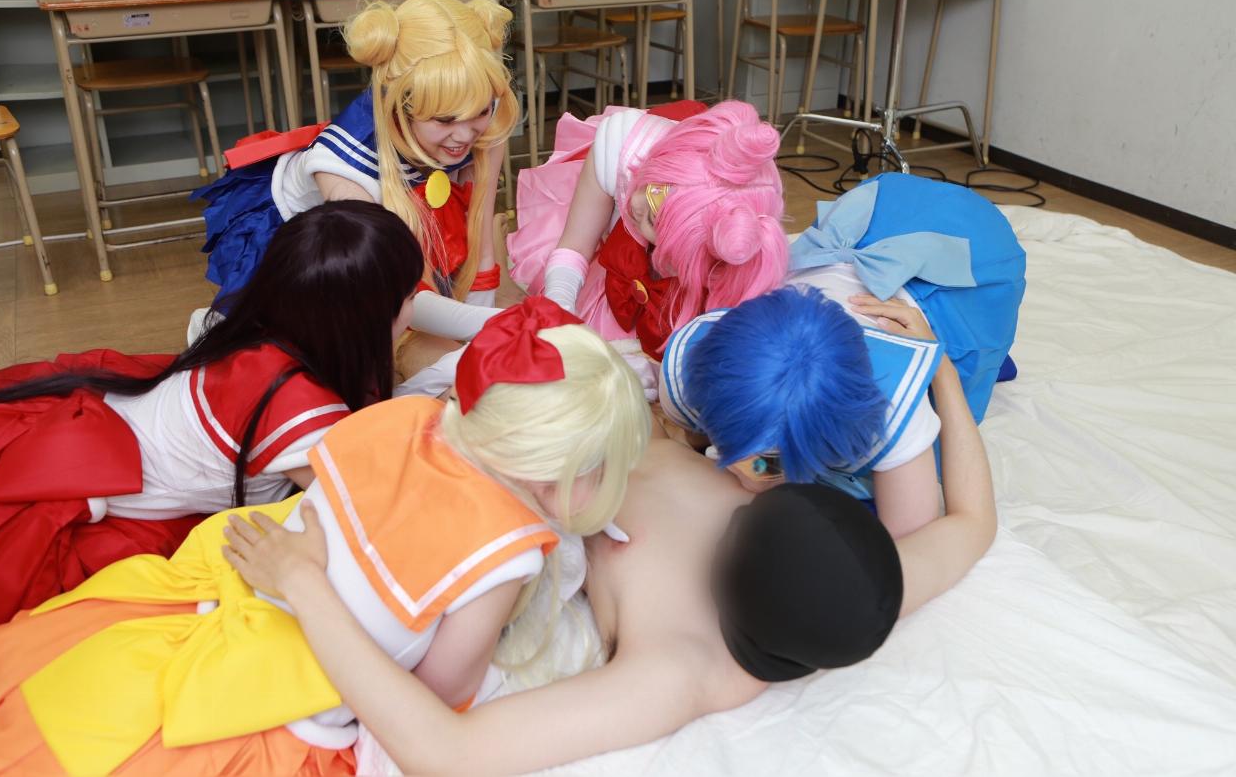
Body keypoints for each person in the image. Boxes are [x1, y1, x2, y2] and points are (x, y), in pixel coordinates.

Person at [174, 295, 998, 776]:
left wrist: (939, 374)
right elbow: (969, 527)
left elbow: (443, 749)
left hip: (493, 484)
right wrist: (942, 379)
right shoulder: (771, 595)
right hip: (511, 467)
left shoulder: (698, 620)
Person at [0, 298, 652, 776]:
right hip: (275, 705)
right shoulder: (505, 554)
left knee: (48, 702)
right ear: (558, 472)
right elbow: (437, 695)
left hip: (217, 600)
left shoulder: (405, 420)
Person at [0, 200, 423, 636]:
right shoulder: (301, 414)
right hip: (117, 504)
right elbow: (370, 510)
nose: (416, 305)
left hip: (106, 431)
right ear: (364, 320)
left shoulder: (267, 329)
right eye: (408, 296)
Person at [659, 173, 1026, 537]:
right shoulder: (691, 368)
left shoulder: (891, 408)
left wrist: (940, 367)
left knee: (956, 393)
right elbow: (695, 437)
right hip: (873, 217)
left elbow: (915, 533)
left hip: (970, 249)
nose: (738, 475)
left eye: (766, 464)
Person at [193, 0, 519, 362]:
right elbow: (392, 291)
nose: (464, 134)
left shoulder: (486, 117)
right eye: (444, 119)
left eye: (480, 111)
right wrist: (498, 324)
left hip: (395, 231)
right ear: (402, 104)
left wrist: (484, 327)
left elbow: (481, 240)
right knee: (303, 361)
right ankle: (216, 326)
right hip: (312, 250)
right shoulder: (343, 173)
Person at [506, 100, 789, 367]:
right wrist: (559, 308)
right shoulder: (621, 146)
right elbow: (575, 247)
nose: (636, 205)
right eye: (652, 195)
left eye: (653, 226)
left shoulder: (730, 238)